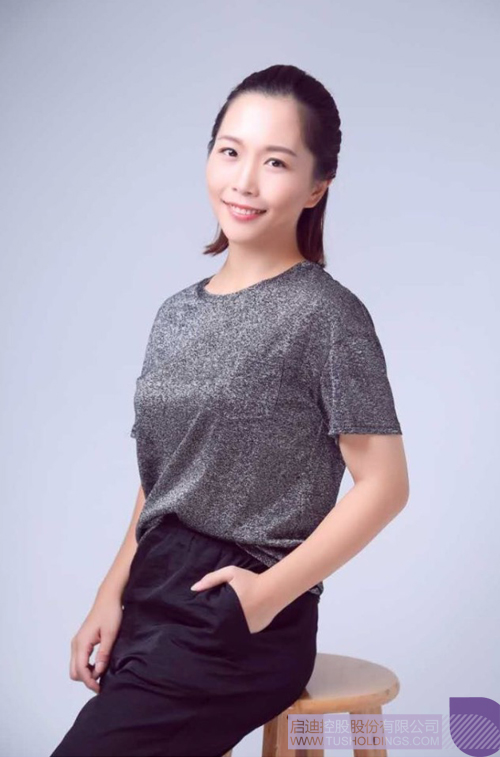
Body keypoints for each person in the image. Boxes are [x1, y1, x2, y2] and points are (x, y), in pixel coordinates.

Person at [50, 63, 409, 757]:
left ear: (317, 185)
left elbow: (386, 485)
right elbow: (164, 476)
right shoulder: (175, 314)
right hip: (151, 597)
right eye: (230, 151)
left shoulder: (326, 316)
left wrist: (265, 597)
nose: (244, 181)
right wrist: (108, 593)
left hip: (238, 615)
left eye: (276, 162)